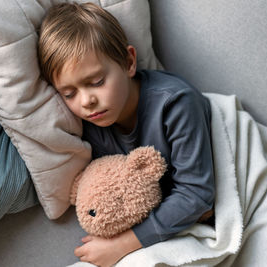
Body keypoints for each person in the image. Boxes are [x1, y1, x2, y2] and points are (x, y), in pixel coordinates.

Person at [38, 2, 215, 267]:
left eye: (96, 82)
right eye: (69, 94)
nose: (86, 101)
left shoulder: (175, 104)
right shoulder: (88, 127)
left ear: (129, 62)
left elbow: (197, 194)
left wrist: (122, 244)